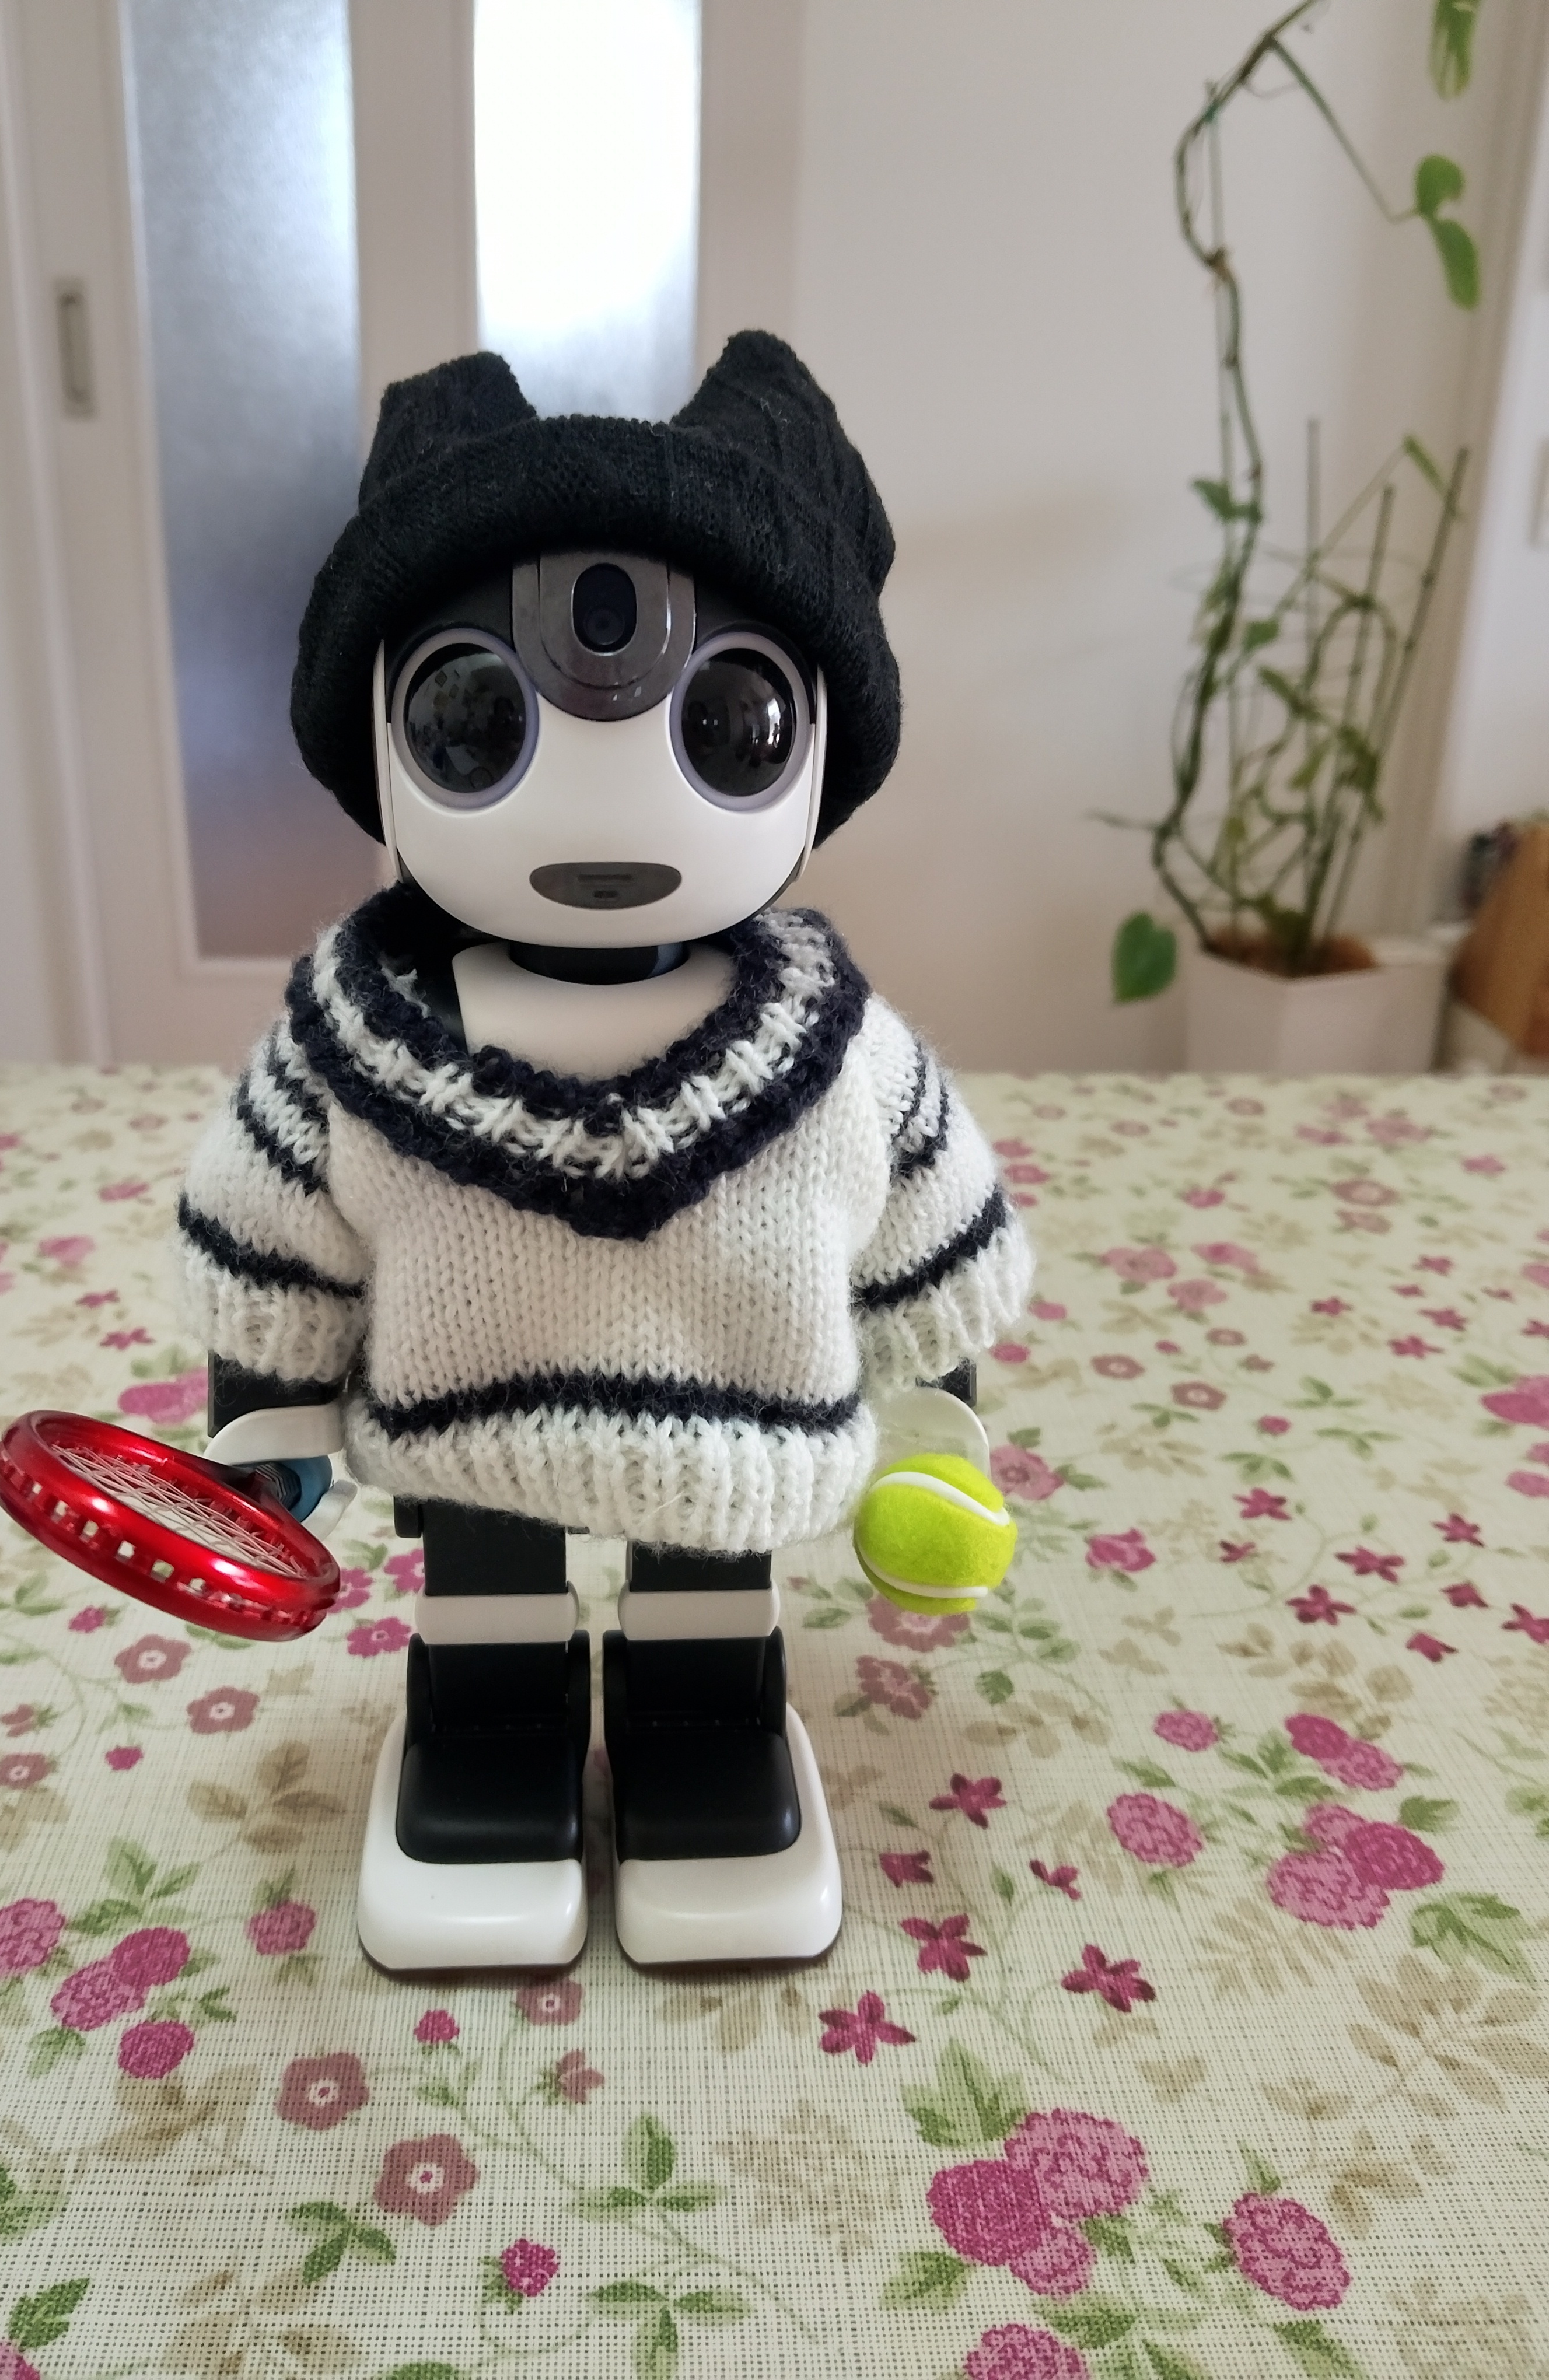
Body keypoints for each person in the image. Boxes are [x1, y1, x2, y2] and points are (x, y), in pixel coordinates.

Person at [174, 333, 1032, 1969]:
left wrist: (938, 1436)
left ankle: (704, 1736)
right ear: (381, 733)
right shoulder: (350, 1045)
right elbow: (273, 1257)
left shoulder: (841, 1055)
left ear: (816, 742)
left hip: (736, 1437)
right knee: (488, 1620)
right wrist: (262, 1444)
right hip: (465, 1441)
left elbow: (921, 1259)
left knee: (709, 1614)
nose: (603, 797)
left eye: (729, 720)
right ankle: (487, 1749)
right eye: (477, 719)